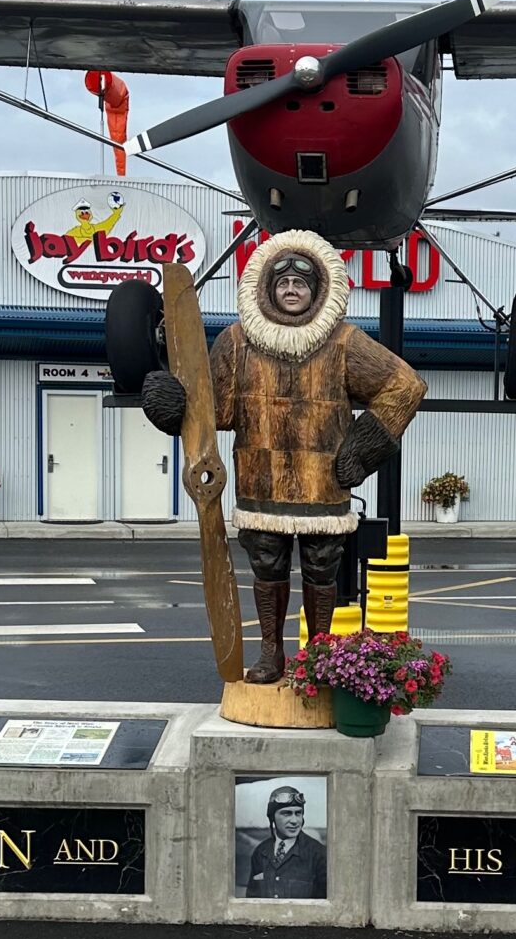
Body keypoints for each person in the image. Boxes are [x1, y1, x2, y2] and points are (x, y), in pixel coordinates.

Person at [142, 229, 425, 681]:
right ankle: (271, 653)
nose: (292, 290)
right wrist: (172, 404)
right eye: (284, 283)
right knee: (267, 567)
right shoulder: (237, 341)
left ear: (318, 290)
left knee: (321, 569)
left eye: (301, 283)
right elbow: (215, 409)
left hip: (324, 484)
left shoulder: (345, 342)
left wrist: (362, 450)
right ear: (267, 289)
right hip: (261, 481)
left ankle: (319, 657)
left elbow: (404, 386)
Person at [244, 784, 327, 900]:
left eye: (298, 813)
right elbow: (252, 900)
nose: (294, 821)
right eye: (286, 813)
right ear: (272, 817)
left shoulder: (319, 854)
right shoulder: (260, 852)